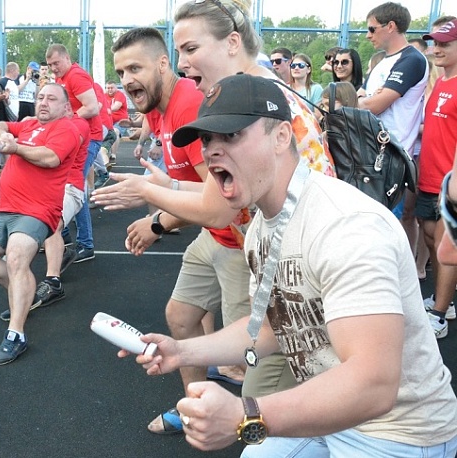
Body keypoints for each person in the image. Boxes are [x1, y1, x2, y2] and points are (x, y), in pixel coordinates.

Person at [126, 72, 457, 457]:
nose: (212, 150)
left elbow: (374, 384)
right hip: (327, 410)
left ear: (283, 136)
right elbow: (271, 327)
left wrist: (244, 412)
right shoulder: (261, 228)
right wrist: (183, 352)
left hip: (397, 430)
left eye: (231, 135)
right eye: (207, 138)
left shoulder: (344, 225)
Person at [92, 0, 334, 434]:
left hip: (297, 268)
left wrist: (152, 202)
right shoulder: (247, 95)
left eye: (189, 49)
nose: (183, 65)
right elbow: (230, 194)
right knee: (259, 364)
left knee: (290, 391)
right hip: (276, 260)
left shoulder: (263, 104)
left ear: (233, 44)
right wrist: (165, 190)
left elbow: (223, 205)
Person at [0, 83, 79, 365]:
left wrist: (16, 147)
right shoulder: (27, 125)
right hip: (6, 209)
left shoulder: (66, 129)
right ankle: (22, 293)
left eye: (52, 99)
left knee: (16, 258)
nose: (43, 102)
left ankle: (16, 334)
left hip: (38, 210)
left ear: (65, 107)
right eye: (40, 97)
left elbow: (51, 158)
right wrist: (4, 133)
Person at [359, 1, 428, 290]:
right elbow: (365, 99)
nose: (367, 35)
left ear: (391, 26)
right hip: (372, 151)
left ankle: (394, 282)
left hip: (391, 156)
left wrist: (364, 100)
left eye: (372, 28)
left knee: (388, 223)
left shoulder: (411, 59)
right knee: (380, 221)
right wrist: (365, 99)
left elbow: (373, 105)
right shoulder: (383, 61)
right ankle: (395, 278)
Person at [416, 19, 457, 339]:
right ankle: (447, 301)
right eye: (435, 43)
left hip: (449, 184)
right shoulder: (440, 83)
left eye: (445, 43)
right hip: (428, 178)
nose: (437, 49)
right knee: (430, 240)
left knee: (445, 250)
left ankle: (440, 314)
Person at [46, 43, 103, 263]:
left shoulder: (76, 76)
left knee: (75, 189)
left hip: (89, 138)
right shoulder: (61, 79)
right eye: (50, 65)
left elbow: (92, 107)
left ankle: (86, 244)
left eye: (56, 63)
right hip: (76, 139)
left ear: (67, 58)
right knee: (63, 185)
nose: (53, 68)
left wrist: (64, 123)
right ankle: (64, 235)